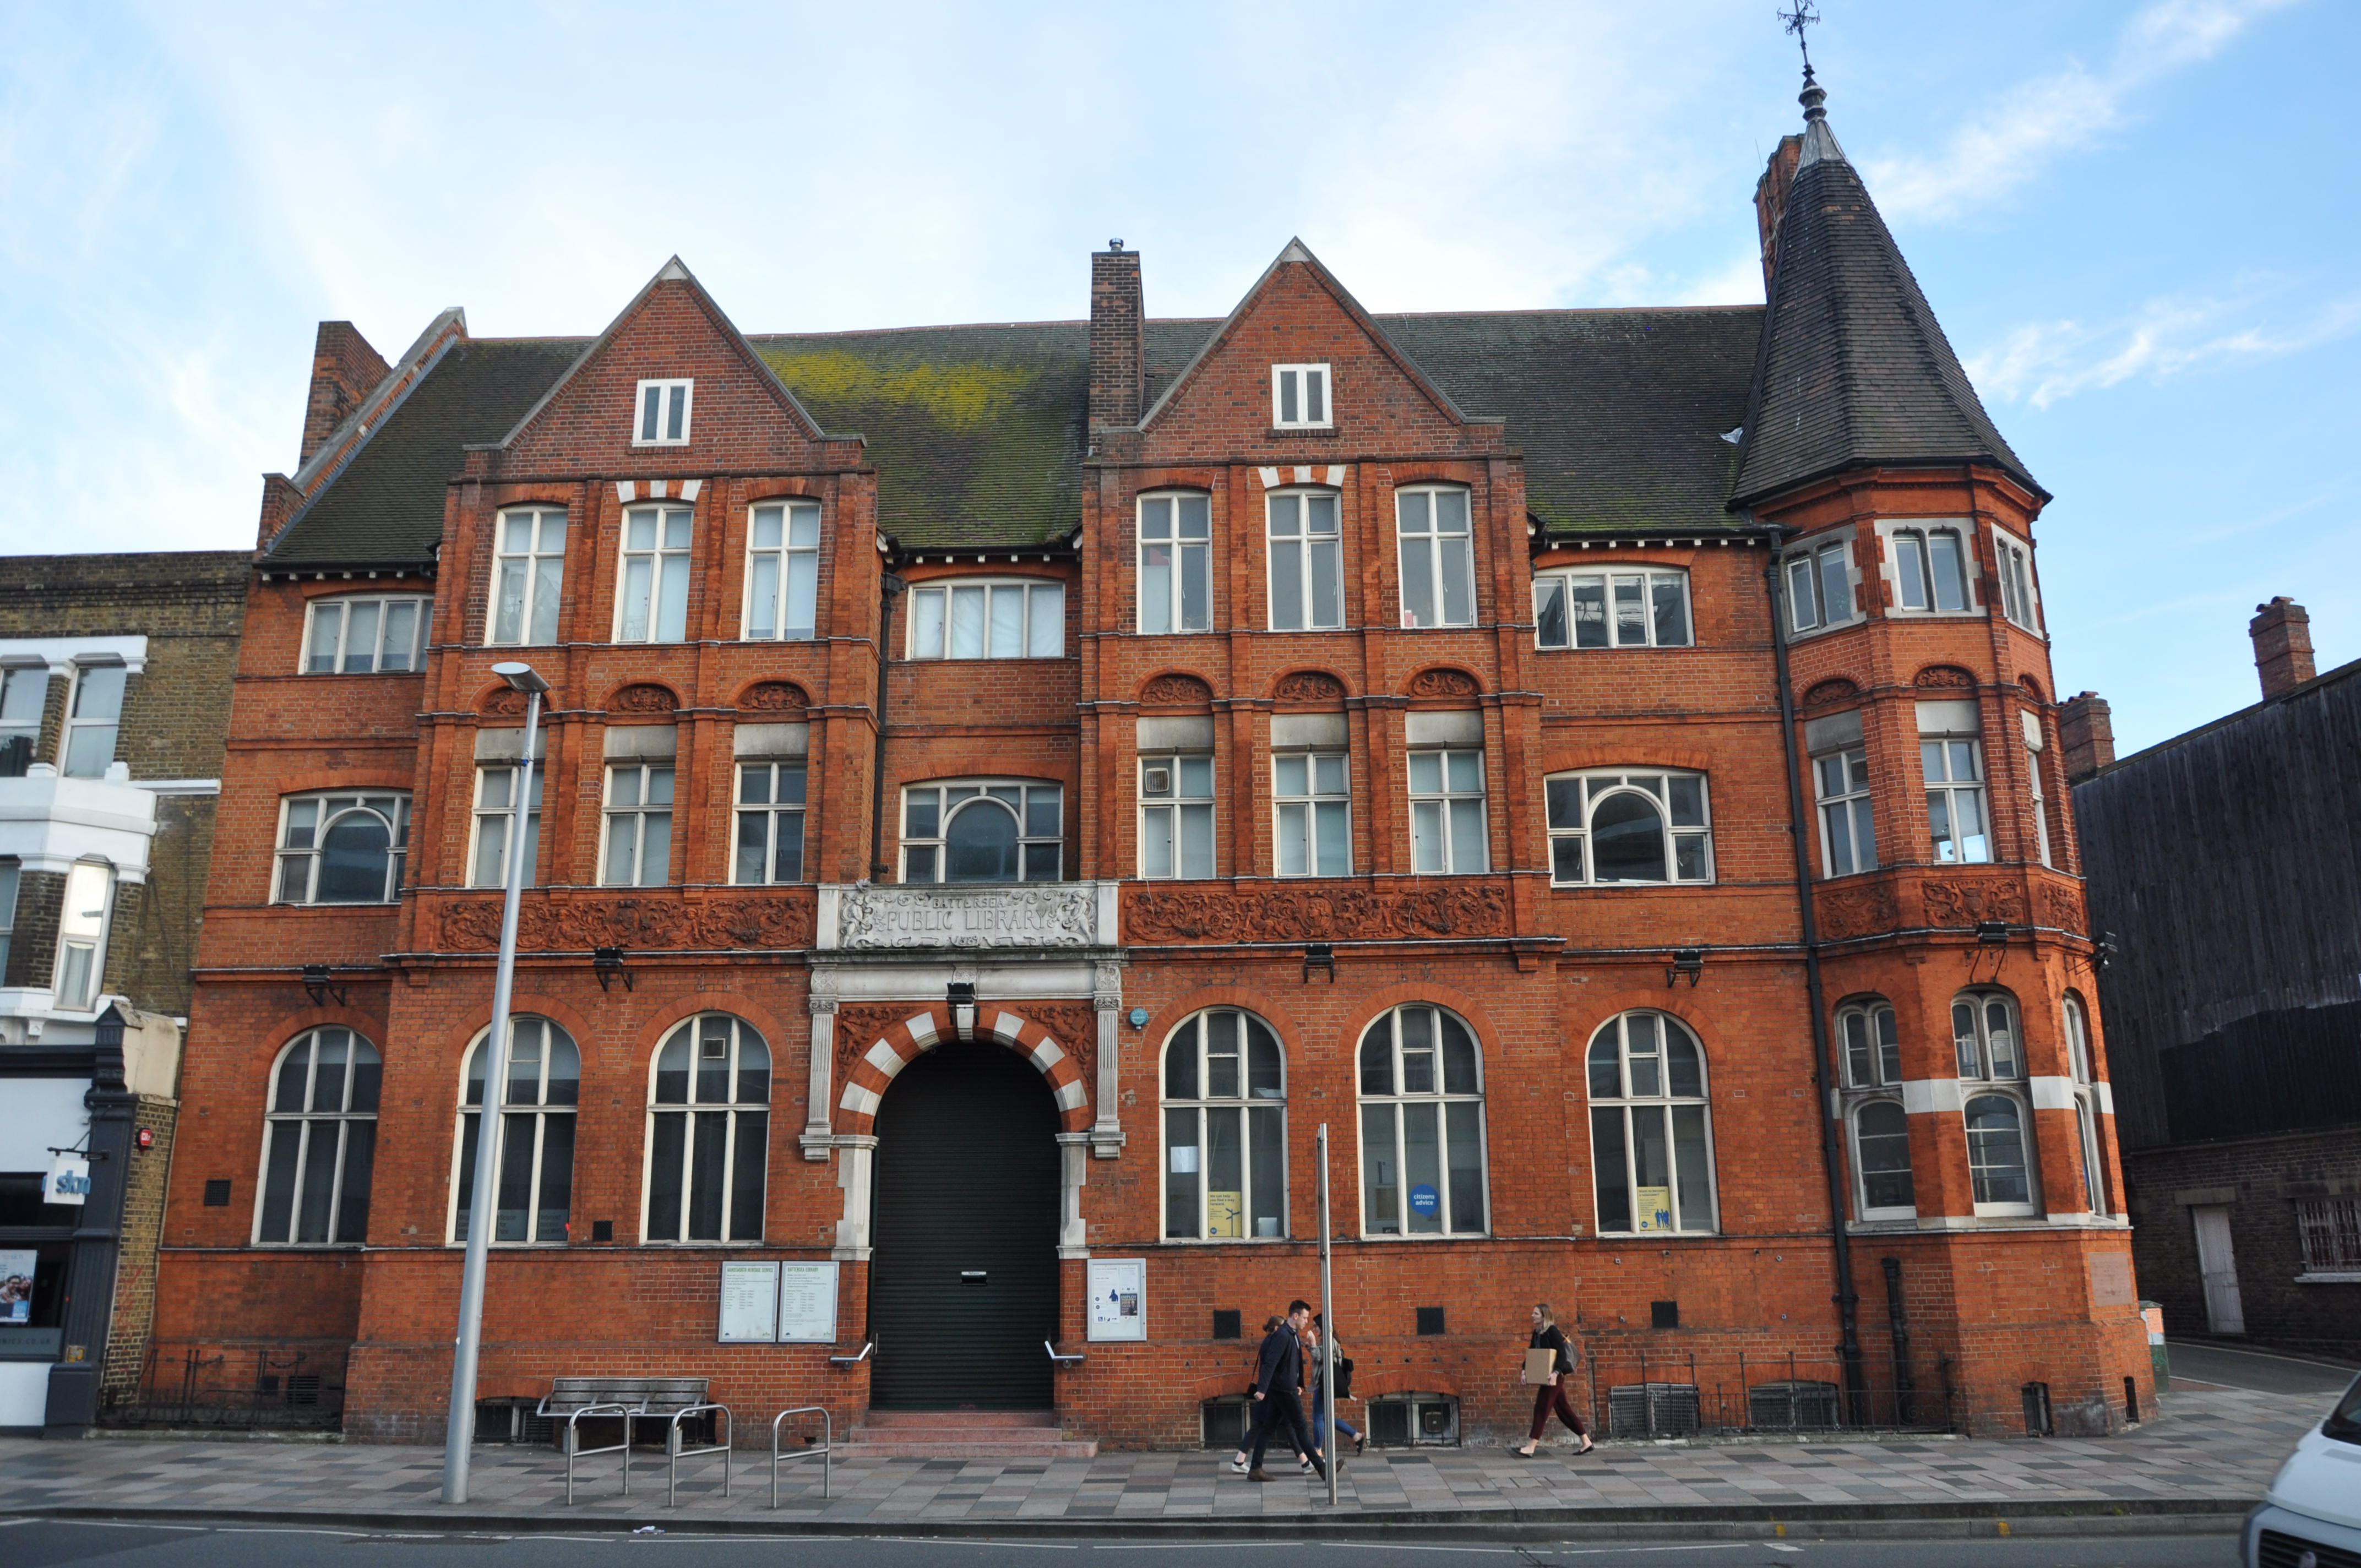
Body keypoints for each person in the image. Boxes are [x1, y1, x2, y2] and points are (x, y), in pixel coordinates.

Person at [1241, 1299, 1325, 1482]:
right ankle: (1321, 1467)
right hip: (1285, 1391)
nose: (1306, 1321)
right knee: (1301, 1427)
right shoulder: (1283, 1336)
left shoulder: (1293, 1335)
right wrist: (1262, 1389)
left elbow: (1294, 1364)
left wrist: (1300, 1384)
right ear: (1295, 1316)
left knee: (1267, 1428)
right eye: (1304, 1317)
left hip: (1285, 1389)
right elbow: (1270, 1363)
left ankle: (1255, 1469)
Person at [1514, 1302, 1593, 1458]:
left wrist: (1556, 1373)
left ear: (1544, 1316)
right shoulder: (1537, 1333)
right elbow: (1532, 1354)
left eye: (1536, 1314)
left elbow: (1562, 1355)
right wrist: (1524, 1371)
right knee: (1564, 1411)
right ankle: (1586, 1442)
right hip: (1547, 1375)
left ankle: (1531, 1446)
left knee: (1541, 1408)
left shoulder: (1553, 1331)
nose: (1532, 1316)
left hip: (1554, 1377)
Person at [1305, 1315, 1363, 1455]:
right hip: (1326, 1383)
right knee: (1326, 1417)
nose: (1314, 1329)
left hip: (1324, 1384)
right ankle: (1356, 1436)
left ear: (1323, 1326)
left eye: (1316, 1326)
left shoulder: (1330, 1341)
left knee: (1318, 1417)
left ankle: (1317, 1450)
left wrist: (1313, 1345)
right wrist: (1311, 1347)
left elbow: (1321, 1358)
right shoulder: (1330, 1341)